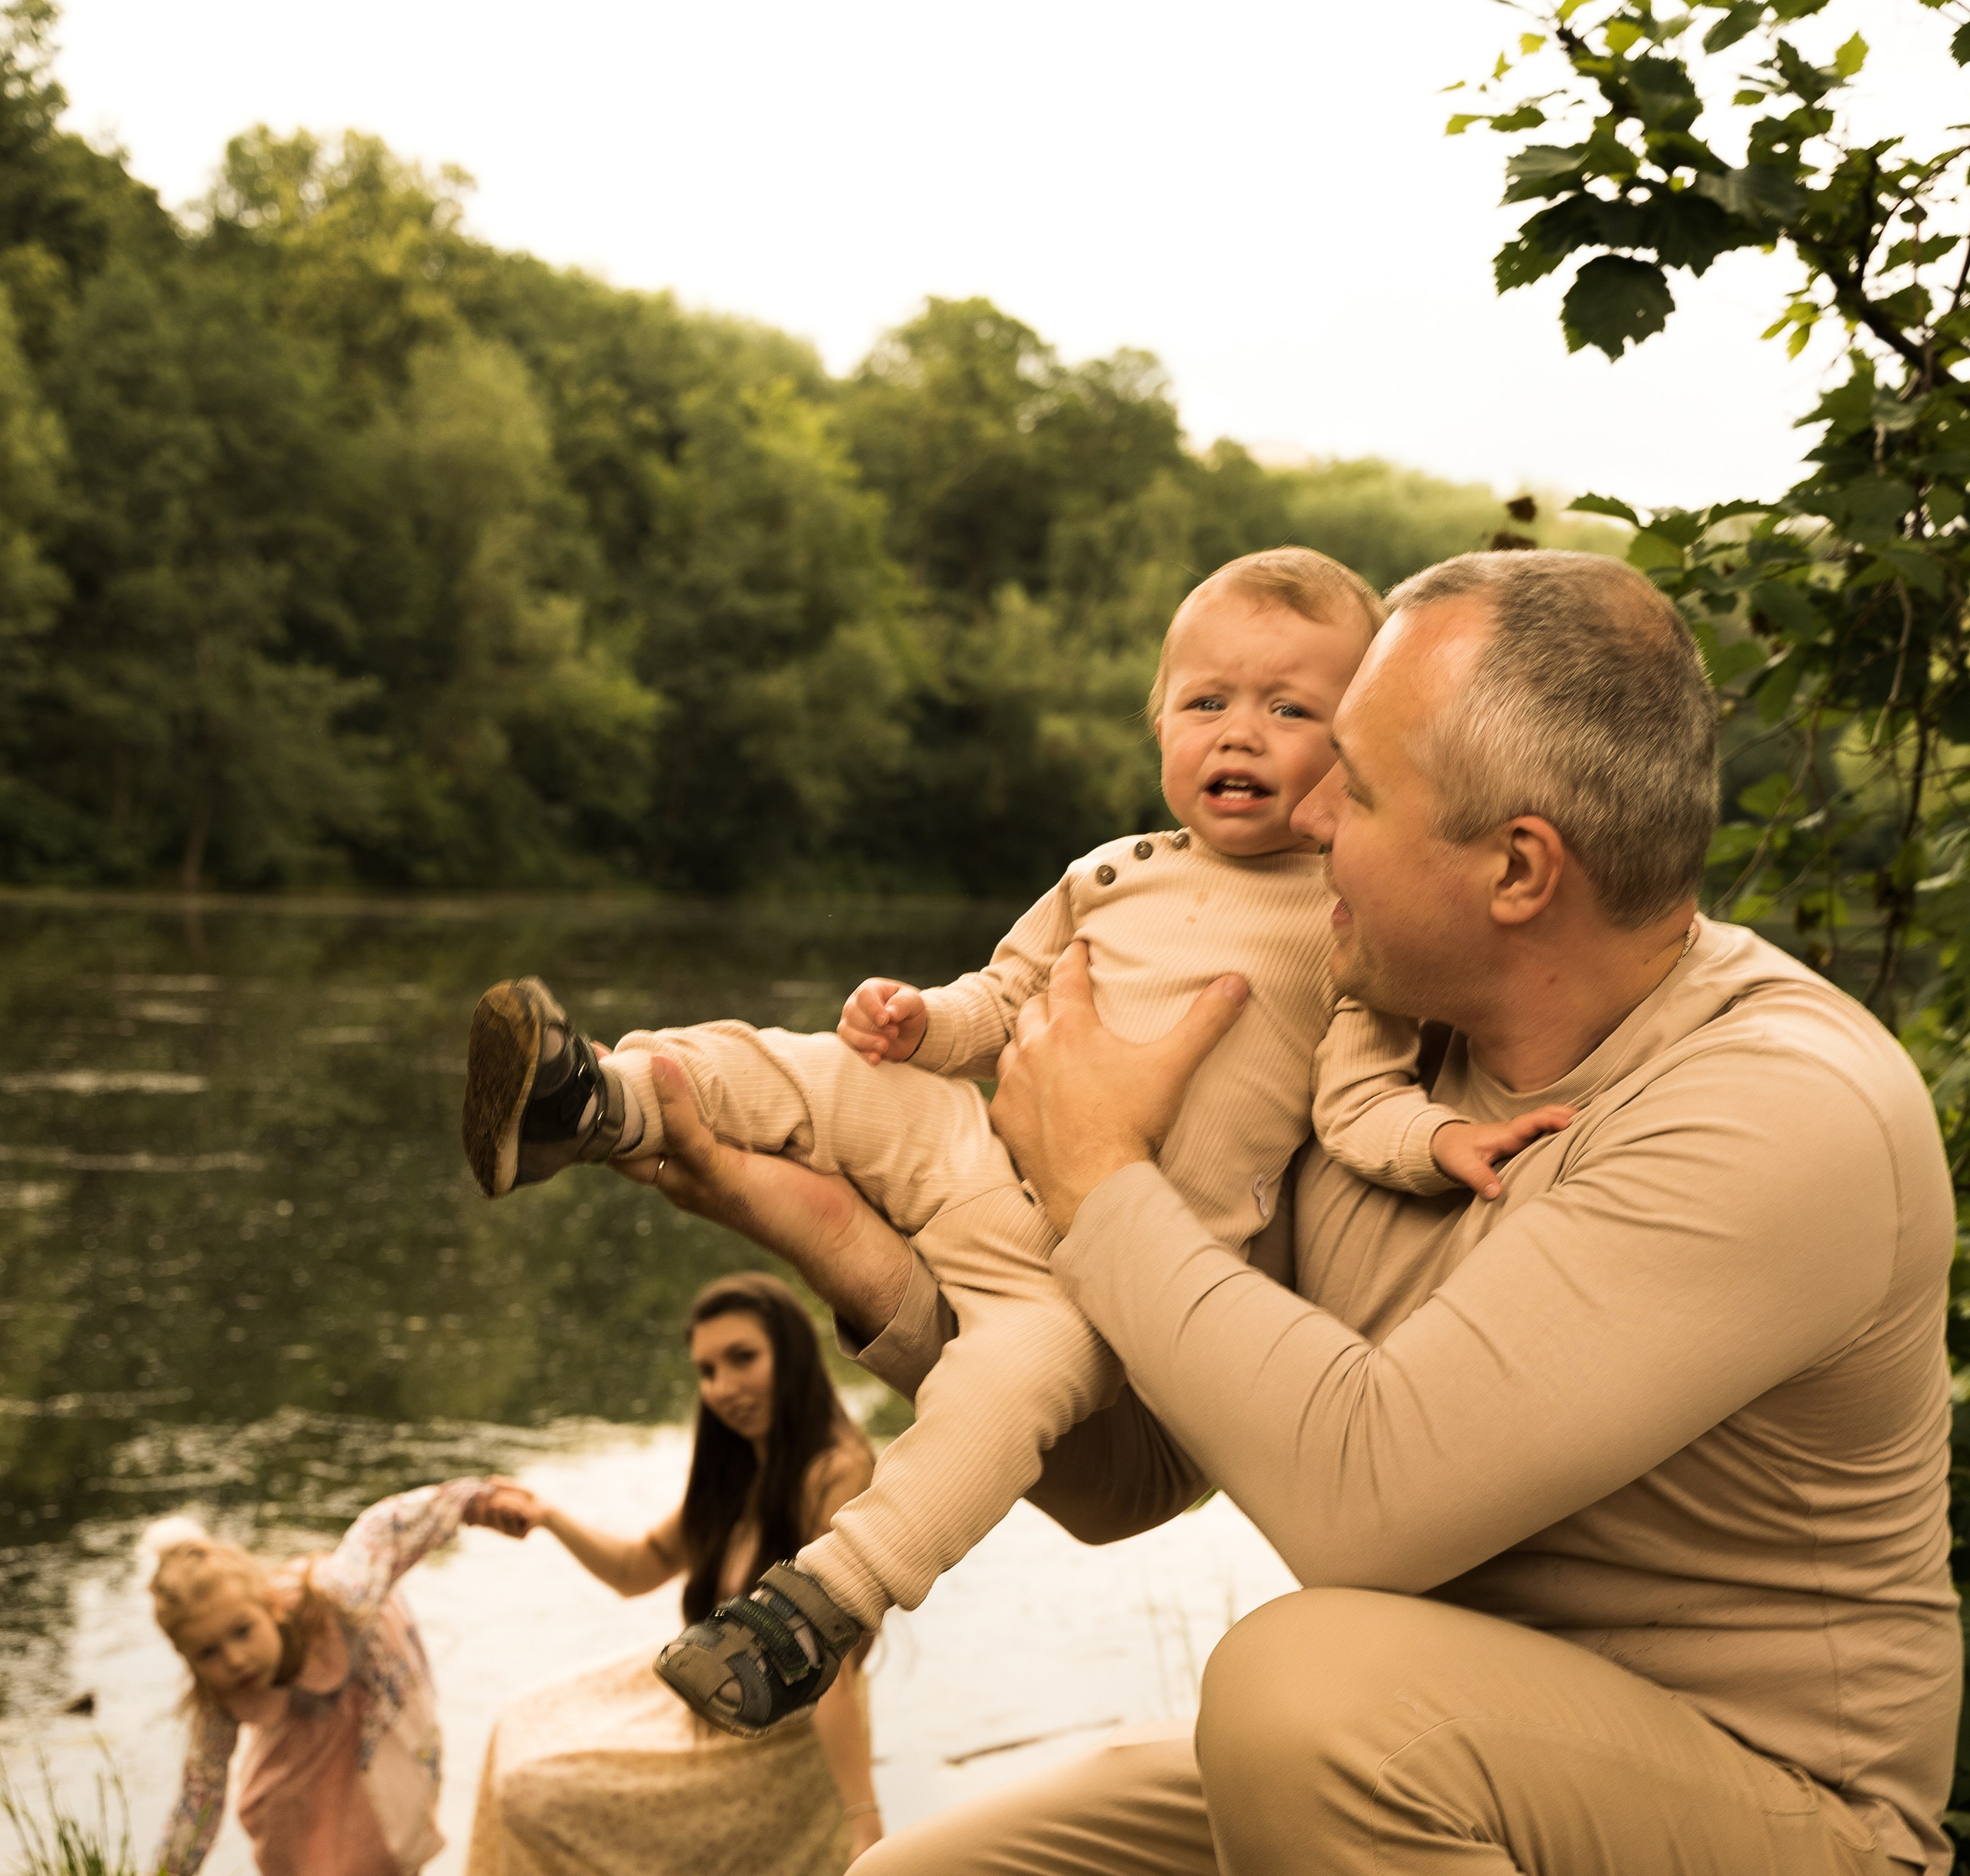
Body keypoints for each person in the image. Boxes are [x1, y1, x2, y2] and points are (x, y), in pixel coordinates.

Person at [629, 550, 1956, 1876]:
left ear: (1517, 867)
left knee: (1303, 1671)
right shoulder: (1385, 1062)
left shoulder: (1770, 1114)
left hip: (1776, 1856)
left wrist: (1096, 1172)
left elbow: (1364, 1504)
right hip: (1467, 1787)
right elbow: (1125, 1475)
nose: (1305, 809)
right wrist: (844, 1248)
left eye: (1360, 778)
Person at [459, 549, 1567, 1741]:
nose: (1240, 733)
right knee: (821, 1073)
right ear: (1159, 724)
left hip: (1103, 1281)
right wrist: (920, 1021)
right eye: (1207, 702)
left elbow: (1359, 1099)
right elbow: (999, 998)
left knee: (1003, 1399)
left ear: (1350, 753)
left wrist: (1441, 1141)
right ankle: (599, 1100)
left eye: (1291, 710)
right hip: (981, 1158)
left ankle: (819, 1605)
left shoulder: (1343, 923)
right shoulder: (1109, 872)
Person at [458, 1273, 880, 1876]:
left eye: (743, 1357)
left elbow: (828, 1664)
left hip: (780, 1726)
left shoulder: (836, 1470)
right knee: (519, 1720)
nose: (723, 1387)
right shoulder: (740, 1468)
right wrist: (548, 1516)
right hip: (713, 1681)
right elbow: (637, 1568)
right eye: (708, 1370)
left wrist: (864, 1822)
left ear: (792, 1354)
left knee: (534, 1789)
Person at [149, 1482, 499, 1876]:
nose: (234, 1660)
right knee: (274, 1805)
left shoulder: (338, 1595)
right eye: (208, 1653)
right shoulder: (218, 1698)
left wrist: (470, 1502)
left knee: (401, 1789)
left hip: (370, 1675)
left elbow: (384, 1531)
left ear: (271, 1606)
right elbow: (200, 1794)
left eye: (242, 1632)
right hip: (293, 1709)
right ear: (187, 1658)